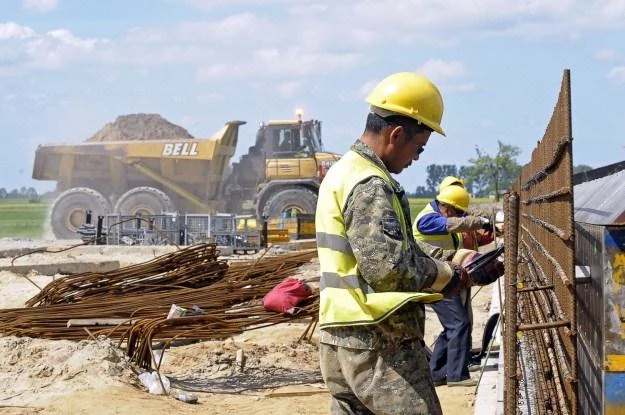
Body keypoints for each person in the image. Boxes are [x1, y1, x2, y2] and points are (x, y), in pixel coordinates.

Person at [316, 72, 474, 415]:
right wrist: (447, 276)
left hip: (338, 338)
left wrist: (447, 262)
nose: (416, 158)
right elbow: (387, 268)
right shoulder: (371, 183)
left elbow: (387, 250)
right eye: (418, 148)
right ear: (397, 134)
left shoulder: (343, 171)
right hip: (377, 342)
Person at [412, 181, 498, 387]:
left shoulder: (440, 214)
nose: (459, 217)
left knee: (453, 325)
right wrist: (479, 222)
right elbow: (450, 224)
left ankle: (437, 372)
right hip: (433, 281)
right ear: (447, 208)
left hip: (443, 278)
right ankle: (456, 376)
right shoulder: (427, 220)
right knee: (459, 323)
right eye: (458, 213)